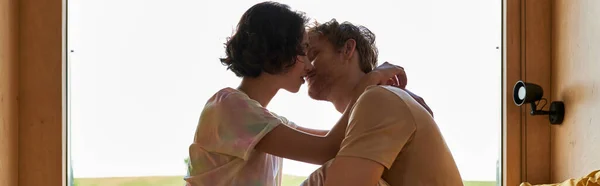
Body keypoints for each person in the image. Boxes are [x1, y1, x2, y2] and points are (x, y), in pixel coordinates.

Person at [183, 2, 423, 186]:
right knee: (335, 173)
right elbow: (327, 148)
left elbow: (345, 140)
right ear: (279, 51)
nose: (309, 66)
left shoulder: (262, 120)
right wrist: (370, 83)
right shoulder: (228, 106)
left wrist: (400, 103)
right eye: (303, 52)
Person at [300, 19, 463, 186]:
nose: (305, 67)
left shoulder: (378, 99)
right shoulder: (375, 105)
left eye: (313, 55)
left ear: (347, 49)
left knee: (323, 176)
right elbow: (326, 140)